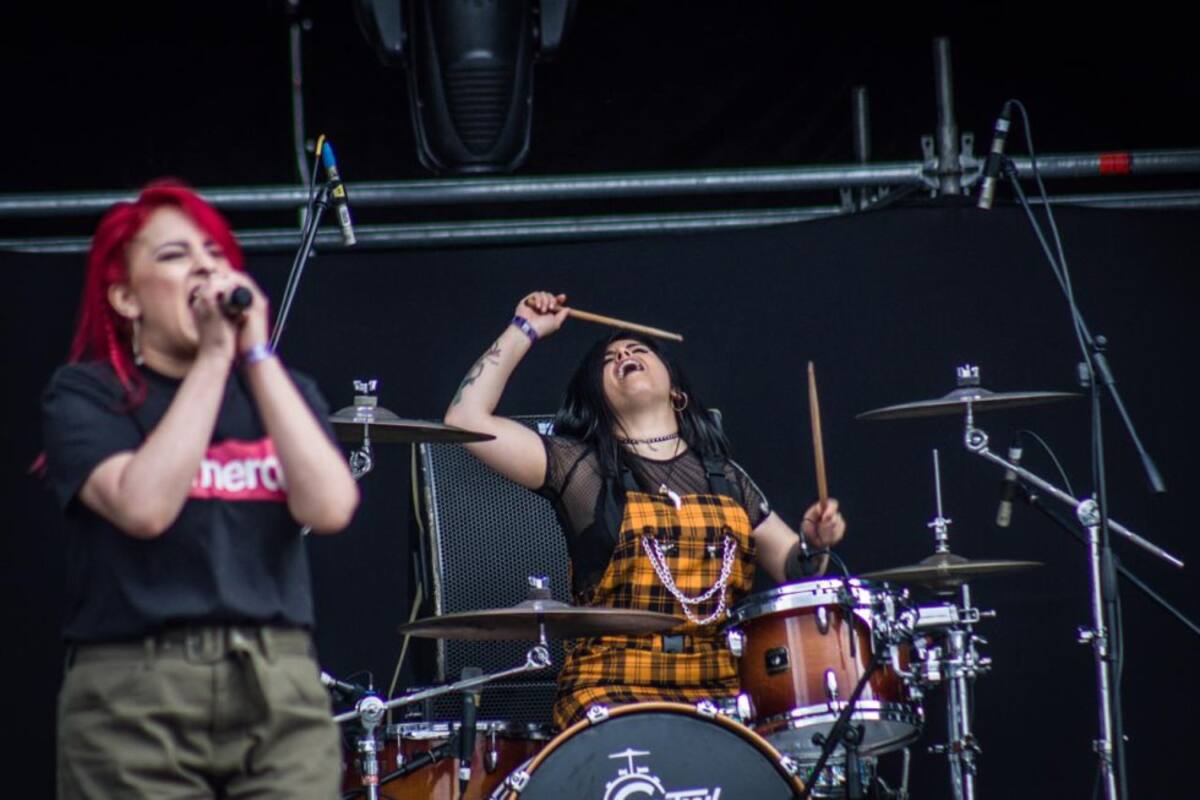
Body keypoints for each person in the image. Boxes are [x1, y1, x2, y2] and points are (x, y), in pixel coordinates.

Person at [41, 181, 359, 798]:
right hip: (136, 688)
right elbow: (143, 507)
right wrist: (214, 359)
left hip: (277, 680)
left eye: (215, 253)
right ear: (125, 297)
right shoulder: (87, 396)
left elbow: (330, 507)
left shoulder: (281, 393)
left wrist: (255, 355)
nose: (205, 268)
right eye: (175, 255)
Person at [444, 291, 845, 729]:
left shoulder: (727, 477)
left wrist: (814, 542)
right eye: (609, 359)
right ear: (597, 397)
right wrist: (525, 328)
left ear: (675, 389)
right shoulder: (579, 468)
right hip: (610, 690)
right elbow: (465, 420)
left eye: (637, 349)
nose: (623, 356)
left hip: (722, 689)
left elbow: (796, 569)